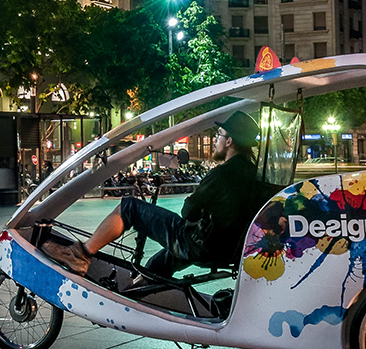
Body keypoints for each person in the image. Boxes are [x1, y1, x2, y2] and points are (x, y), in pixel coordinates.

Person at [42, 111, 280, 278]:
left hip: (202, 244)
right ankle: (141, 288)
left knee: (129, 207)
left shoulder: (223, 174)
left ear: (229, 141)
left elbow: (188, 210)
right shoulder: (253, 174)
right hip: (224, 248)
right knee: (163, 259)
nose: (216, 141)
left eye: (218, 135)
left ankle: (81, 254)